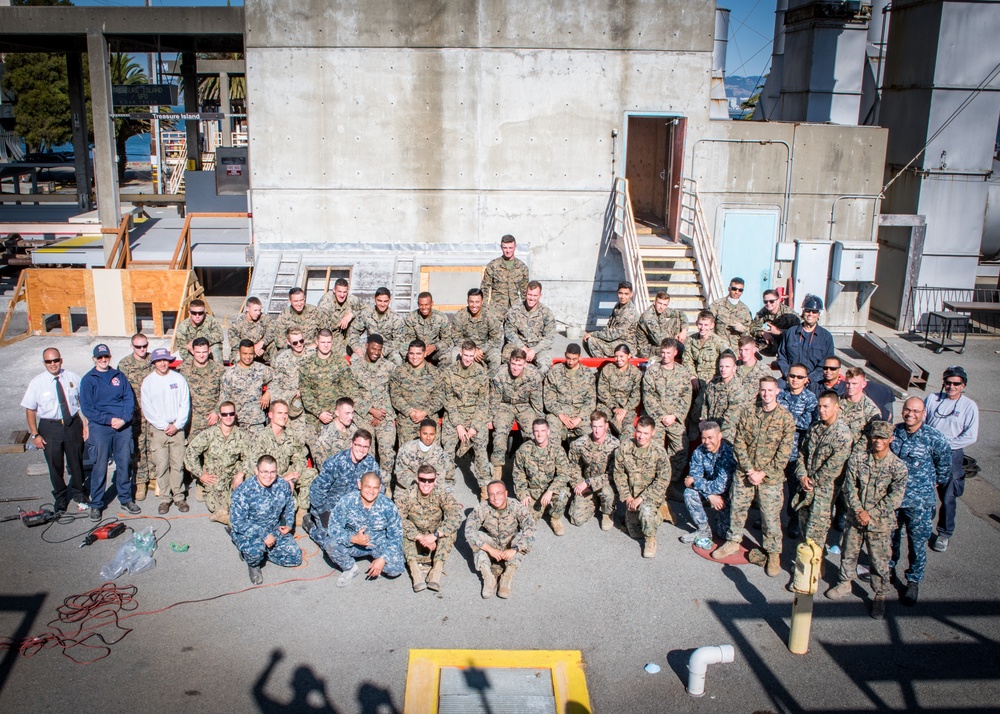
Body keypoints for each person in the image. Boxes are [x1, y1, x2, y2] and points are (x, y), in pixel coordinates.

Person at [712, 376, 795, 577]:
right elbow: (739, 442)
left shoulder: (785, 418)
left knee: (770, 517)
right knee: (738, 509)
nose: (766, 394)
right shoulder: (749, 412)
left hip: (770, 477)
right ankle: (733, 541)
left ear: (777, 392)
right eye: (763, 390)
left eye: (769, 390)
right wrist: (750, 470)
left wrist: (762, 473)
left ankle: (773, 553)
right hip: (745, 472)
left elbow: (784, 453)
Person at [826, 421, 908, 619]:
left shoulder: (898, 467)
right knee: (848, 551)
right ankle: (845, 582)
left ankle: (880, 595)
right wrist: (858, 509)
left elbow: (895, 498)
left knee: (879, 560)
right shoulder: (858, 458)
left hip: (879, 523)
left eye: (882, 437)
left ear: (891, 439)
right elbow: (849, 486)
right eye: (875, 437)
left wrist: (870, 513)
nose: (877, 441)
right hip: (855, 517)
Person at [890, 397, 952, 605]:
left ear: (923, 413)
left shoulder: (934, 438)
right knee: (891, 539)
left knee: (917, 544)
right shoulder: (894, 433)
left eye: (916, 411)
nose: (910, 414)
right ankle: (888, 568)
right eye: (907, 410)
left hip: (919, 503)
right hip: (894, 500)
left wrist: (930, 485)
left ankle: (913, 581)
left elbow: (944, 469)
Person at [21, 347, 88, 513]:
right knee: (54, 463)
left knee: (76, 460)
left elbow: (83, 403)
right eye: (49, 361)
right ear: (44, 363)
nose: (53, 364)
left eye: (55, 360)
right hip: (50, 427)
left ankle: (79, 492)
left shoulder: (72, 378)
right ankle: (60, 496)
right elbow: (30, 409)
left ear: (61, 360)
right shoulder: (37, 383)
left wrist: (86, 425)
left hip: (73, 424)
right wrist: (35, 434)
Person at [312, 472, 404, 588]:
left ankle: (376, 561)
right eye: (367, 487)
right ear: (360, 485)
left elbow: (396, 536)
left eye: (375, 488)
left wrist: (383, 558)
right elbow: (333, 527)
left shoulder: (388, 506)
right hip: (354, 545)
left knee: (395, 569)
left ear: (380, 488)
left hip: (377, 545)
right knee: (330, 544)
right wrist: (352, 538)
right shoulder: (347, 501)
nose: (371, 491)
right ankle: (350, 568)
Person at [923, 366, 979, 553]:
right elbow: (921, 422)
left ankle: (944, 533)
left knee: (948, 496)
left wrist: (946, 444)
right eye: (948, 382)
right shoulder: (932, 399)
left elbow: (971, 436)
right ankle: (919, 523)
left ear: (963, 385)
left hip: (952, 453)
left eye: (956, 383)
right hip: (929, 452)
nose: (951, 386)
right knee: (921, 490)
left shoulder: (969, 406)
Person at [80, 344, 135, 521]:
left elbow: (129, 399)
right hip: (101, 427)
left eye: (106, 357)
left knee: (124, 462)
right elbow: (87, 408)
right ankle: (96, 503)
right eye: (100, 357)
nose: (103, 360)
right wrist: (108, 420)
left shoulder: (118, 376)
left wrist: (124, 419)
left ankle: (126, 498)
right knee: (99, 464)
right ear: (94, 359)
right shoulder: (89, 379)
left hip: (121, 426)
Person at [792, 390, 852, 549]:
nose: (822, 410)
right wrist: (802, 475)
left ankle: (815, 569)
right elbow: (802, 453)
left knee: (816, 531)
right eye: (819, 406)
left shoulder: (842, 434)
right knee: (804, 525)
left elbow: (834, 466)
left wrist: (812, 481)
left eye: (826, 406)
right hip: (806, 485)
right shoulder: (815, 427)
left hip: (824, 491)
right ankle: (804, 565)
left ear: (836, 407)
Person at [230, 455, 303, 585]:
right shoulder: (244, 491)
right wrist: (264, 535)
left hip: (274, 528)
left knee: (295, 558)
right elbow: (237, 522)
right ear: (256, 471)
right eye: (264, 472)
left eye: (272, 472)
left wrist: (286, 523)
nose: (268, 476)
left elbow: (289, 505)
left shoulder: (282, 485)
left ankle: (264, 553)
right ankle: (253, 562)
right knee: (255, 553)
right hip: (251, 532)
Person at [245, 400, 318, 522]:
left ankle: (302, 511)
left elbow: (300, 458)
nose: (284, 416)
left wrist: (293, 477)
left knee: (311, 473)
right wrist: (282, 479)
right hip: (268, 479)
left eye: (285, 413)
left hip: (287, 474)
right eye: (279, 413)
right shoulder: (261, 437)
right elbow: (254, 467)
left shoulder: (290, 435)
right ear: (270, 415)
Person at [395, 464, 463, 592]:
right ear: (417, 479)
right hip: (415, 537)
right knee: (401, 532)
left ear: (435, 480)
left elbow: (455, 516)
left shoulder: (442, 493)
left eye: (430, 480)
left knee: (450, 532)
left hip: (434, 537)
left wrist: (435, 535)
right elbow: (398, 519)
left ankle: (436, 571)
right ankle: (415, 572)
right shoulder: (406, 494)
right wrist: (419, 537)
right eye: (423, 480)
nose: (426, 484)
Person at [465, 480, 536, 599]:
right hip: (492, 543)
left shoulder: (515, 506)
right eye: (491, 494)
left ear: (506, 493)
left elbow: (530, 527)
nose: (495, 497)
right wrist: (490, 549)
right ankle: (488, 578)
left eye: (499, 493)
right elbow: (469, 531)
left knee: (522, 537)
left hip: (510, 544)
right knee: (476, 538)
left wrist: (514, 549)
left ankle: (507, 577)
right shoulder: (483, 507)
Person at [184, 401, 251, 525]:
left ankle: (234, 515)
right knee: (215, 504)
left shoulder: (242, 436)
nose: (228, 417)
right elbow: (190, 453)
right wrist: (200, 474)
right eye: (224, 414)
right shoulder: (210, 434)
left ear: (235, 415)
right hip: (214, 477)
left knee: (242, 497)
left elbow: (250, 457)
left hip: (232, 475)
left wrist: (241, 474)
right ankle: (227, 517)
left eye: (231, 414)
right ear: (219, 415)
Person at [613, 416, 671, 558]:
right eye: (639, 432)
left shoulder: (659, 452)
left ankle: (651, 539)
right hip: (631, 497)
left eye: (646, 433)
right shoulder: (625, 447)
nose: (641, 436)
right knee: (634, 532)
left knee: (645, 512)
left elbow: (663, 480)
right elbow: (618, 473)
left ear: (653, 432)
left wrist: (642, 498)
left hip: (650, 497)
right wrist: (627, 497)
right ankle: (657, 514)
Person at [142, 348, 191, 515]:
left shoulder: (178, 379)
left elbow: (185, 404)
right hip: (159, 430)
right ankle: (165, 498)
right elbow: (147, 408)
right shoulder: (149, 382)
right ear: (154, 363)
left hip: (177, 428)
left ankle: (179, 496)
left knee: (177, 465)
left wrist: (177, 425)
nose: (162, 363)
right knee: (161, 465)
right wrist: (163, 425)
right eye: (159, 360)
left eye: (165, 360)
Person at [641, 337, 694, 481]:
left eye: (668, 353)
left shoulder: (682, 373)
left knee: (681, 448)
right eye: (663, 352)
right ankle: (654, 479)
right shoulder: (652, 371)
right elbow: (648, 396)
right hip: (656, 419)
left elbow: (686, 397)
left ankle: (671, 480)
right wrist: (661, 417)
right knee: (654, 449)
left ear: (675, 352)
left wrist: (674, 416)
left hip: (674, 418)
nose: (665, 356)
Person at [487, 348, 544, 483]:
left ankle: (531, 467)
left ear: (525, 364)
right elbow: (494, 399)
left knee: (532, 432)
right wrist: (490, 418)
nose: (515, 368)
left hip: (524, 406)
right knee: (500, 432)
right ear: (509, 362)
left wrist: (540, 420)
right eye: (513, 364)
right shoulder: (500, 373)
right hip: (504, 405)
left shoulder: (533, 375)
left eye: (519, 365)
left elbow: (536, 401)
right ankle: (497, 470)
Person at [440, 340, 490, 488]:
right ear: (460, 353)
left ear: (475, 354)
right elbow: (448, 400)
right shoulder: (450, 372)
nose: (467, 359)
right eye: (465, 355)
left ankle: (485, 486)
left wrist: (474, 427)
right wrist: (459, 425)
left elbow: (483, 402)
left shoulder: (481, 373)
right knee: (448, 447)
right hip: (455, 415)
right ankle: (447, 483)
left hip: (475, 414)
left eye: (471, 355)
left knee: (481, 447)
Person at [513, 418, 573, 536]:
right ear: (533, 432)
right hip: (533, 491)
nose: (539, 434)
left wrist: (550, 491)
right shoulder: (524, 449)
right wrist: (523, 494)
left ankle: (555, 518)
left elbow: (564, 474)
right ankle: (541, 510)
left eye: (542, 431)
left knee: (562, 494)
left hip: (551, 490)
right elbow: (518, 474)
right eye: (536, 431)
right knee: (525, 526)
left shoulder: (557, 450)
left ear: (548, 432)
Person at [778, 363, 818, 538]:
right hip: (778, 450)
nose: (795, 379)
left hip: (796, 452)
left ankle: (793, 518)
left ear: (806, 380)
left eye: (799, 377)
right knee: (774, 487)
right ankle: (771, 518)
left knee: (794, 489)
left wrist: (784, 419)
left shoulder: (811, 399)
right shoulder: (780, 396)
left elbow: (806, 423)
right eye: (792, 376)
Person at [308, 430, 381, 524]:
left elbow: (379, 488)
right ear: (351, 444)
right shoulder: (336, 462)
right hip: (331, 508)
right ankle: (309, 524)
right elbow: (317, 489)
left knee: (370, 535)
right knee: (332, 536)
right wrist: (323, 511)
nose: (361, 450)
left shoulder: (371, 464)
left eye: (365, 447)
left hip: (355, 509)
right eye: (358, 445)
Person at [299, 329, 363, 435]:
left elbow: (349, 389)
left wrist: (339, 412)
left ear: (332, 342)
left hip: (337, 416)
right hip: (315, 418)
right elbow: (306, 394)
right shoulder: (307, 365)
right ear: (317, 342)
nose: (326, 345)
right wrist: (319, 413)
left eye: (328, 342)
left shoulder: (341, 363)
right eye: (323, 342)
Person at [680, 421, 735, 544]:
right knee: (689, 492)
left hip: (729, 495)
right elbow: (692, 479)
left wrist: (698, 484)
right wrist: (709, 495)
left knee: (723, 533)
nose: (706, 442)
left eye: (710, 438)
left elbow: (720, 486)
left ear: (719, 436)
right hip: (711, 491)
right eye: (703, 438)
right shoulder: (699, 451)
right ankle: (703, 529)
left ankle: (722, 516)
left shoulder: (728, 454)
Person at [350, 334, 398, 475]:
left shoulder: (389, 367)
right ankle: (367, 485)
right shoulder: (355, 368)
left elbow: (394, 393)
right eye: (373, 349)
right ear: (366, 346)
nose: (376, 353)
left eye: (379, 350)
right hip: (364, 417)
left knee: (387, 452)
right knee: (364, 453)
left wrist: (382, 412)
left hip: (385, 416)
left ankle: (385, 486)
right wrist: (371, 410)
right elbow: (352, 394)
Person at [565, 411, 619, 530]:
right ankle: (593, 502)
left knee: (607, 493)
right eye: (594, 426)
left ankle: (607, 513)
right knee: (576, 519)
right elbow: (573, 467)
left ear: (606, 426)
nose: (597, 430)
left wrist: (589, 482)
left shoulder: (615, 445)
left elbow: (613, 474)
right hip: (585, 484)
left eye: (600, 426)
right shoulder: (579, 444)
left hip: (605, 484)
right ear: (590, 426)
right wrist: (579, 484)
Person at [116, 334, 152, 501]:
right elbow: (120, 392)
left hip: (152, 412)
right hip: (134, 413)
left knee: (152, 445)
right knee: (137, 447)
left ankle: (153, 477)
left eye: (144, 346)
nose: (142, 349)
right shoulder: (124, 365)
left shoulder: (153, 360)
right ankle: (140, 481)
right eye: (138, 347)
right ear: (132, 346)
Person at [389, 340, 443, 445]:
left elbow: (439, 397)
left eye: (418, 353)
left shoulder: (436, 373)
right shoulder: (399, 372)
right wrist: (410, 412)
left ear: (424, 354)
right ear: (408, 353)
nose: (414, 357)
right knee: (406, 456)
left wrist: (424, 412)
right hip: (407, 420)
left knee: (431, 457)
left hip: (428, 419)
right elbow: (395, 396)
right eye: (411, 353)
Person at [776, 294, 834, 385]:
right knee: (775, 390)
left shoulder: (826, 337)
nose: (810, 314)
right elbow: (781, 357)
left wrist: (810, 378)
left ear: (818, 314)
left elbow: (827, 362)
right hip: (791, 380)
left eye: (814, 312)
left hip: (814, 382)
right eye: (807, 310)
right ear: (803, 312)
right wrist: (789, 375)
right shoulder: (791, 333)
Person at [543, 343, 595, 442]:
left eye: (574, 359)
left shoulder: (587, 374)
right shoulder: (555, 371)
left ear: (580, 357)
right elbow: (549, 398)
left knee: (592, 435)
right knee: (551, 435)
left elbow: (591, 401)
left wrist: (579, 418)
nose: (570, 362)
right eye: (568, 358)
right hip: (558, 414)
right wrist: (560, 415)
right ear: (565, 354)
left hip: (579, 414)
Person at [503, 280, 556, 374]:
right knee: (506, 359)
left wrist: (534, 350)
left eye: (535, 295)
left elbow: (549, 337)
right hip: (518, 346)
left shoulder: (547, 313)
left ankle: (535, 386)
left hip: (538, 348)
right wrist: (522, 347)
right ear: (525, 294)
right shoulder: (515, 310)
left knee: (545, 365)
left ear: (540, 296)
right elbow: (509, 331)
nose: (531, 298)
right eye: (529, 294)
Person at [220, 339, 274, 433]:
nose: (248, 357)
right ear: (239, 353)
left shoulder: (260, 369)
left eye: (251, 354)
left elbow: (277, 379)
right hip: (237, 423)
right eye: (244, 353)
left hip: (257, 422)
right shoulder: (230, 374)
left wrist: (268, 393)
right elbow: (224, 398)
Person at [268, 327, 310, 441]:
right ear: (288, 343)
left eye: (301, 341)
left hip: (309, 408)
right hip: (289, 408)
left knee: (301, 442)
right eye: (295, 343)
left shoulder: (312, 355)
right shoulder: (282, 359)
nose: (299, 345)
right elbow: (275, 383)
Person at [181, 337, 225, 439]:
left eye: (204, 352)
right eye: (198, 352)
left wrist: (216, 411)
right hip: (192, 422)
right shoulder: (184, 369)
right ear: (192, 352)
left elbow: (225, 392)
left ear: (209, 351)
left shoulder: (219, 370)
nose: (201, 355)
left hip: (213, 419)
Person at [450, 288, 503, 372]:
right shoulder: (460, 316)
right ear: (467, 301)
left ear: (482, 301)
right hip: (466, 349)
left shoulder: (490, 316)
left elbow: (496, 339)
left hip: (484, 350)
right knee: (454, 353)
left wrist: (481, 350)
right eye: (471, 302)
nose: (474, 305)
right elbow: (456, 337)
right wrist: (471, 351)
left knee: (496, 356)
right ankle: (458, 379)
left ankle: (489, 382)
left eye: (477, 302)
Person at [595, 344, 642, 440]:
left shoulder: (635, 373)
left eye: (621, 356)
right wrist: (614, 408)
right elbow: (602, 391)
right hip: (607, 405)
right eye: (616, 356)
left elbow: (636, 396)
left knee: (628, 429)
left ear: (629, 356)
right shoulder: (608, 369)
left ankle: (623, 452)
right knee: (603, 427)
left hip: (626, 407)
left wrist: (624, 410)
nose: (618, 359)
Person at [349, 287, 405, 365]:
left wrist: (383, 351)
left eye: (385, 301)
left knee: (397, 359)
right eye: (379, 301)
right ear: (374, 299)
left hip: (387, 349)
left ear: (390, 300)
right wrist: (356, 347)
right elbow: (354, 330)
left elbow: (399, 340)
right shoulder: (366, 313)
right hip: (370, 347)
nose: (382, 304)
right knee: (355, 358)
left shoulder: (395, 318)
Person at [480, 233, 530, 318]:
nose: (508, 251)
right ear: (501, 248)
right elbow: (485, 288)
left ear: (515, 247)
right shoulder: (493, 265)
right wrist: (484, 309)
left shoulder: (522, 267)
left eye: (510, 248)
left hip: (515, 309)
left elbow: (524, 291)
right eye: (505, 248)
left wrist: (526, 310)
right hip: (496, 309)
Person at [702, 352, 748, 442]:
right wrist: (703, 420)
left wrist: (714, 430)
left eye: (727, 367)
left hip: (727, 432)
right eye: (721, 366)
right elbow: (705, 403)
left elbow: (730, 418)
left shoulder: (737, 389)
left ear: (734, 368)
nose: (723, 369)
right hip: (709, 428)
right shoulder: (713, 383)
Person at [395, 419, 451, 492]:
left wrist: (428, 488)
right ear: (419, 433)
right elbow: (400, 472)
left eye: (431, 434)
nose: (428, 438)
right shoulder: (406, 448)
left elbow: (441, 475)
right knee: (400, 498)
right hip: (410, 485)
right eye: (425, 434)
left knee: (448, 492)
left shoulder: (439, 452)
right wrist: (417, 486)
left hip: (431, 486)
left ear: (435, 434)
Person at [584, 281, 638, 357]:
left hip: (626, 344)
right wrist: (596, 334)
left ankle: (604, 367)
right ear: (617, 293)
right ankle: (604, 365)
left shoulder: (630, 312)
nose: (622, 297)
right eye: (620, 293)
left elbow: (614, 334)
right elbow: (608, 326)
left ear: (631, 294)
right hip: (615, 340)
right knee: (586, 341)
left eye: (626, 294)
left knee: (592, 341)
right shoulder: (618, 306)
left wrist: (593, 334)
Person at [400, 292, 451, 365]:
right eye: (421, 305)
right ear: (418, 304)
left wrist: (435, 346)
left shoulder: (441, 318)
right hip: (417, 350)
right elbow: (409, 338)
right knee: (403, 349)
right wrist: (420, 348)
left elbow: (447, 340)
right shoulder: (411, 317)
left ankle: (441, 375)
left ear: (432, 303)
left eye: (426, 304)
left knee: (447, 355)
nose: (424, 308)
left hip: (434, 351)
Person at [636, 291, 688, 359]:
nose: (661, 307)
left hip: (661, 341)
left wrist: (684, 331)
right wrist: (674, 341)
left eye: (664, 305)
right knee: (679, 351)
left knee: (677, 318)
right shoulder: (648, 317)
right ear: (654, 302)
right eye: (659, 303)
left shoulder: (663, 310)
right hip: (647, 349)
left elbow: (681, 313)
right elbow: (660, 341)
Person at [317, 277, 362, 354]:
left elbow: (366, 309)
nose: (342, 295)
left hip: (348, 333)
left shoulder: (351, 299)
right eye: (339, 291)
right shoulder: (326, 303)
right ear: (334, 290)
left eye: (344, 292)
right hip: (331, 334)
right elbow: (322, 329)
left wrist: (351, 315)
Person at [683, 310, 729, 384]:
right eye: (700, 324)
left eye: (706, 325)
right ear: (696, 323)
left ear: (712, 325)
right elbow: (687, 360)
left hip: (712, 380)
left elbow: (729, 358)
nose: (702, 328)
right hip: (694, 379)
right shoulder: (690, 340)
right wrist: (692, 376)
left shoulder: (718, 342)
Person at [749, 289, 799, 355]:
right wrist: (763, 333)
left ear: (778, 301)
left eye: (771, 301)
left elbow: (798, 332)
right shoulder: (763, 312)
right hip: (771, 342)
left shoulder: (789, 314)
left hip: (786, 343)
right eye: (765, 302)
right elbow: (752, 327)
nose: (768, 304)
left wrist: (779, 331)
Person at [311, 397, 357, 468]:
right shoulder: (327, 433)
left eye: (352, 413)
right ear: (337, 413)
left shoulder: (353, 429)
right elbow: (324, 465)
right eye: (347, 413)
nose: (351, 417)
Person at [839, 367, 881, 446]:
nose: (850, 387)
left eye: (854, 383)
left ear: (863, 384)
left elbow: (869, 439)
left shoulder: (871, 409)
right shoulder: (836, 402)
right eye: (848, 383)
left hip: (856, 452)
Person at [710, 277, 753, 351]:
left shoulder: (745, 310)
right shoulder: (717, 305)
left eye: (740, 290)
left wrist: (743, 330)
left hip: (736, 351)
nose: (737, 292)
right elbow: (708, 325)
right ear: (729, 289)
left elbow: (749, 334)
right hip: (718, 348)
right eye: (734, 289)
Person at [228, 296, 273, 363]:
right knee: (237, 356)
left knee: (274, 345)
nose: (258, 313)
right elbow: (233, 340)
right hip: (244, 351)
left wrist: (262, 343)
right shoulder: (238, 321)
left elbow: (273, 331)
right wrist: (251, 348)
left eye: (259, 310)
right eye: (255, 310)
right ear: (247, 309)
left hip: (260, 351)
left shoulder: (264, 319)